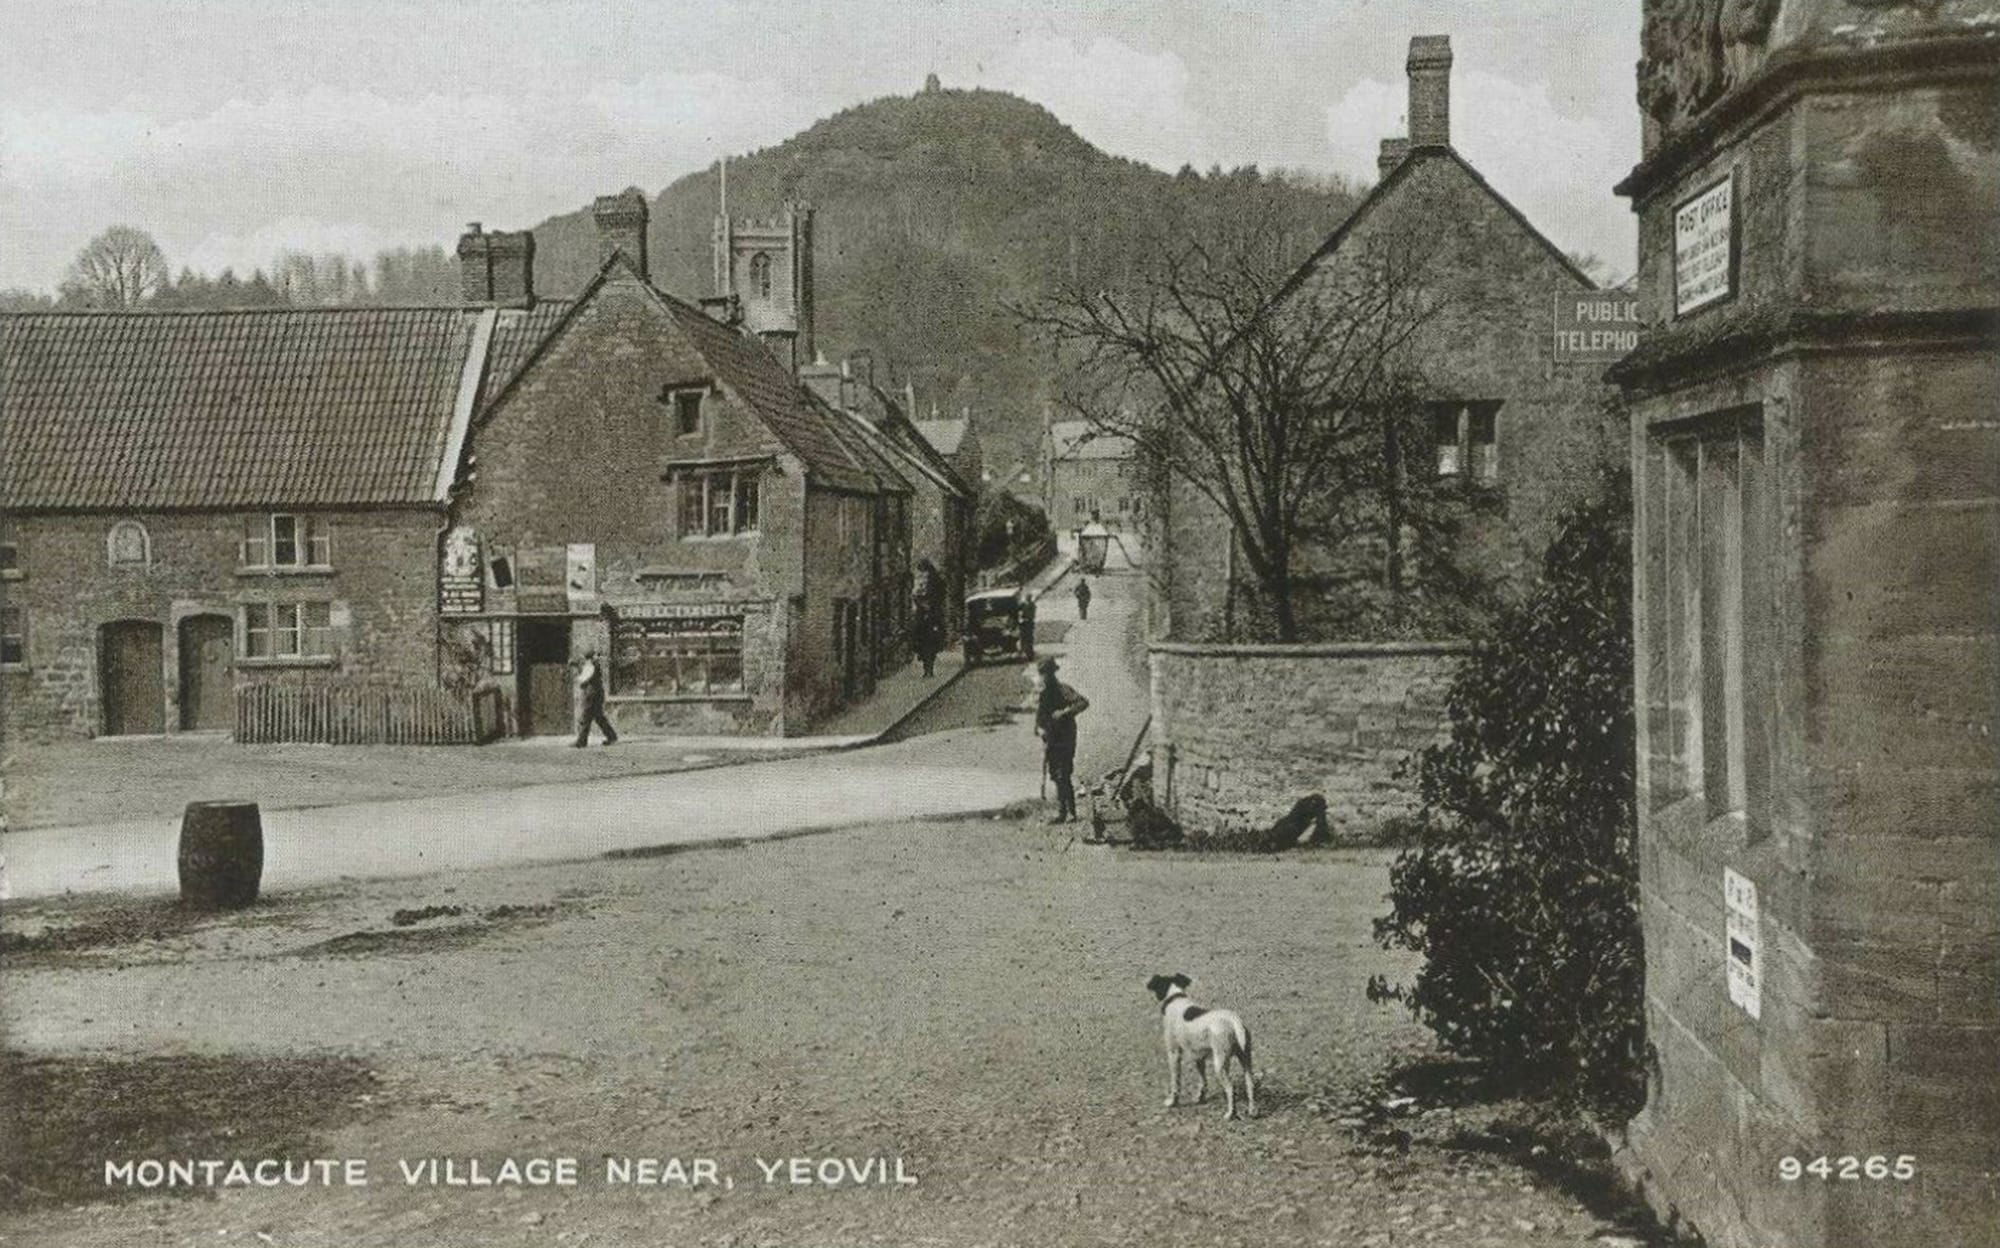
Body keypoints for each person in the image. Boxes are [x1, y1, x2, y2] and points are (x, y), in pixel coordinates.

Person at [1035, 656, 1089, 824]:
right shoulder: (1044, 694)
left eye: (1048, 674)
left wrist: (1064, 713)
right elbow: (1040, 716)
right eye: (1043, 674)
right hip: (1052, 738)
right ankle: (1062, 812)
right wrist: (1040, 729)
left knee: (1064, 774)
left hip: (1065, 737)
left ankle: (1071, 812)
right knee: (1055, 775)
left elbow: (1083, 702)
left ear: (1054, 674)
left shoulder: (1063, 689)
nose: (1046, 677)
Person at [572, 650, 618, 747]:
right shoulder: (592, 665)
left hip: (592, 695)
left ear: (587, 658)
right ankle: (611, 736)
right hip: (595, 694)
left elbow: (583, 679)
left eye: (585, 658)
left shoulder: (591, 666)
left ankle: (581, 741)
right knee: (599, 717)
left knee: (585, 716)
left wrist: (576, 674)